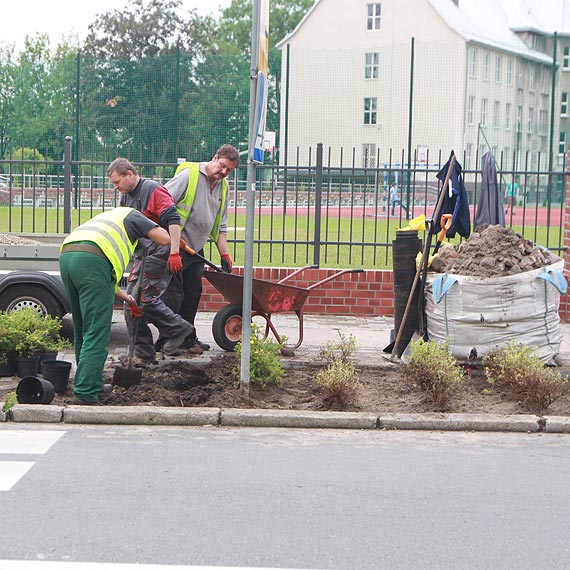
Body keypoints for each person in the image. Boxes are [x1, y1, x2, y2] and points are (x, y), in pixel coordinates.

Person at [59, 207, 170, 405]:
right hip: (92, 261)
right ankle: (85, 392)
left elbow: (104, 281)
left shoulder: (110, 219)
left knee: (83, 328)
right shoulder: (134, 215)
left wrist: (128, 298)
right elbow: (164, 239)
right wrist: (151, 228)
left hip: (69, 256)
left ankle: (91, 383)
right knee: (97, 330)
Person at [107, 158, 195, 362]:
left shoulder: (154, 190)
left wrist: (174, 252)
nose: (116, 187)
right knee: (131, 302)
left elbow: (173, 220)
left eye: (117, 182)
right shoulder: (126, 198)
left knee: (143, 298)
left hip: (160, 251)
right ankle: (143, 351)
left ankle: (179, 328)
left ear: (130, 174)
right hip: (143, 254)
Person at [161, 144, 239, 351]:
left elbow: (221, 225)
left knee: (193, 292)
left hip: (195, 249)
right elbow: (162, 202)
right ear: (215, 158)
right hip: (175, 246)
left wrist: (225, 254)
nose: (223, 172)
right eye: (222, 166)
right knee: (172, 294)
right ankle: (167, 339)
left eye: (229, 170)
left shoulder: (224, 187)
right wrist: (173, 245)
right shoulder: (190, 175)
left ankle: (188, 337)